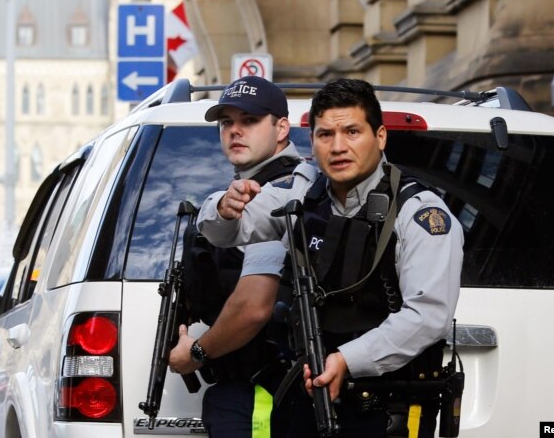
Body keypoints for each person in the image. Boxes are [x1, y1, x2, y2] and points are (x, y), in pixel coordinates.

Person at [197, 78, 463, 438]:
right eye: (325, 135)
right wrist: (224, 207)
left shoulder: (419, 212)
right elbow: (229, 230)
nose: (338, 147)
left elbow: (428, 315)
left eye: (352, 131)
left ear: (380, 136)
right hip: (307, 397)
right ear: (312, 141)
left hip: (388, 407)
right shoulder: (304, 190)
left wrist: (346, 360)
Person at [168, 75, 300, 437]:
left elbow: (254, 307)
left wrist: (194, 353)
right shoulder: (252, 189)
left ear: (281, 128)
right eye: (227, 122)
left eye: (250, 121)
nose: (235, 131)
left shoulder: (277, 195)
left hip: (267, 392)